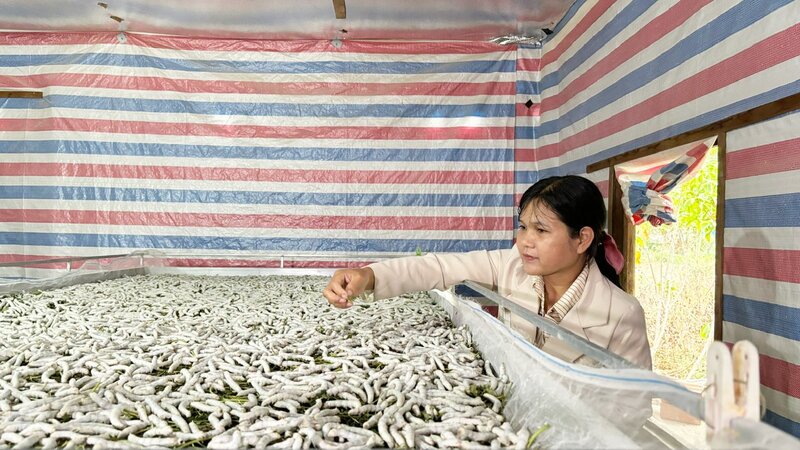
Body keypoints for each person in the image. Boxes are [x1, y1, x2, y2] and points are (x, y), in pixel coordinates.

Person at [323, 175, 652, 369]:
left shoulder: (622, 314)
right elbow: (438, 267)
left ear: (582, 238)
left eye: (541, 230)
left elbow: (631, 410)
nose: (525, 241)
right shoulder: (511, 264)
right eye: (523, 227)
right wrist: (368, 275)